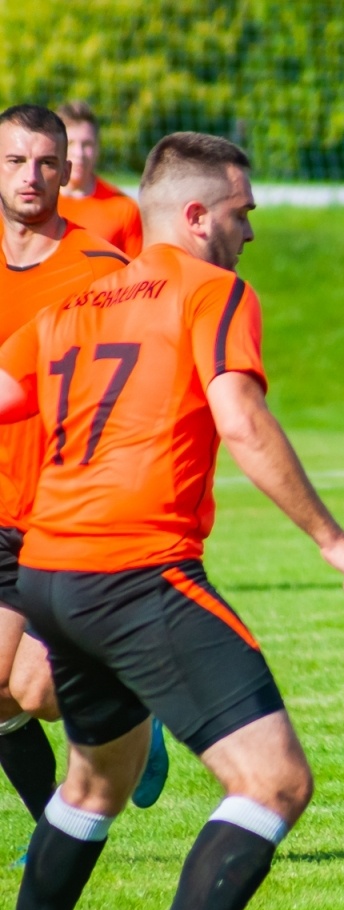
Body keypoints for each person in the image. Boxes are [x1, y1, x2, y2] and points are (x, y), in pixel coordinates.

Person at [0, 132, 344, 910]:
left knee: (97, 781)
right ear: (195, 215)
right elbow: (242, 422)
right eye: (241, 213)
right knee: (273, 782)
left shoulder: (75, 302)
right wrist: (336, 543)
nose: (248, 233)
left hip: (49, 573)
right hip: (132, 566)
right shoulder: (213, 291)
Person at [0, 105, 168, 825]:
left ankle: (140, 696)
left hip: (68, 518)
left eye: (45, 162)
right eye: (14, 161)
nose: (30, 176)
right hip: (2, 511)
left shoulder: (102, 271)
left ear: (69, 171)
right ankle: (55, 834)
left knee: (36, 691)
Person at [55, 101, 143, 258]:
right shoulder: (36, 204)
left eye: (87, 144)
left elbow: (138, 276)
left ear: (97, 149)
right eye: (71, 143)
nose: (79, 153)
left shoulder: (124, 209)